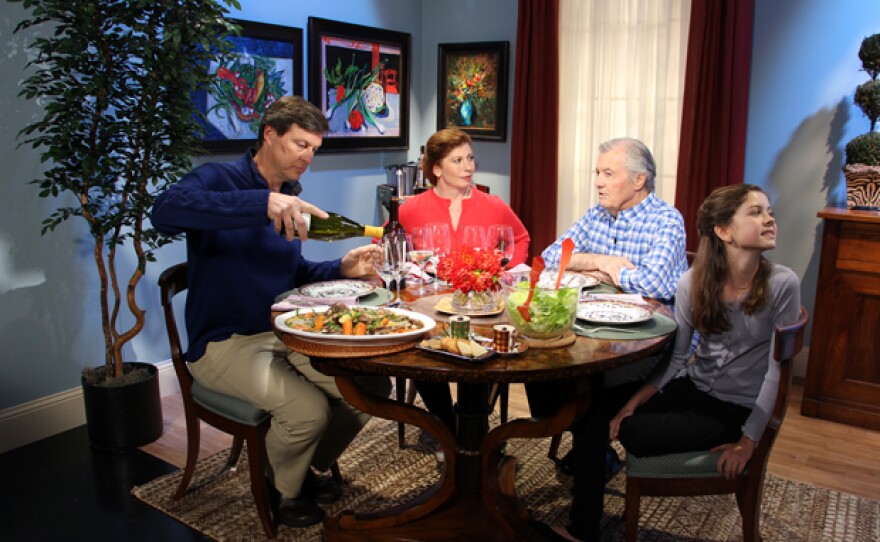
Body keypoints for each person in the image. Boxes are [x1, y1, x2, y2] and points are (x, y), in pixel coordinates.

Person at [151, 96, 391, 529]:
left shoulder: (289, 197)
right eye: (300, 144)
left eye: (314, 149)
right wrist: (258, 203)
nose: (308, 157)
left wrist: (341, 267)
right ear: (269, 134)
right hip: (224, 342)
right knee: (307, 412)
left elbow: (293, 273)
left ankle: (295, 465)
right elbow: (164, 213)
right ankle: (284, 491)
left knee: (369, 387)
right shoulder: (219, 178)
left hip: (282, 332)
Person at [540, 184, 801, 541]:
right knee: (593, 413)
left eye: (768, 211)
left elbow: (775, 372)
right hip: (692, 387)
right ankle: (583, 527)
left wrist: (748, 442)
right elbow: (678, 357)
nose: (769, 219)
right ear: (723, 231)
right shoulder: (693, 282)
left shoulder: (783, 283)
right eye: (755, 212)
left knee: (632, 431)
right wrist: (633, 402)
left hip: (735, 408)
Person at [528, 137, 688, 471]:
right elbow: (550, 256)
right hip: (593, 329)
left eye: (608, 173)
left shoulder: (666, 220)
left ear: (639, 180)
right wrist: (603, 260)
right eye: (597, 173)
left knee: (586, 387)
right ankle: (585, 443)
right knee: (538, 364)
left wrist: (604, 270)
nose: (598, 182)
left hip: (646, 341)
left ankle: (591, 450)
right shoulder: (597, 215)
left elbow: (654, 285)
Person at [399, 128, 530, 437]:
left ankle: (473, 426)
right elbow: (395, 252)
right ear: (436, 168)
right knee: (419, 352)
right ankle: (448, 425)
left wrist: (506, 273)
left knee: (482, 359)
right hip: (433, 308)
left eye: (470, 158)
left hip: (482, 309)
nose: (468, 166)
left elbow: (521, 238)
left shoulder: (494, 204)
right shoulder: (410, 209)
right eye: (457, 160)